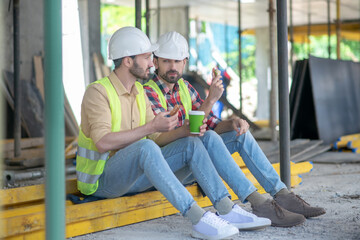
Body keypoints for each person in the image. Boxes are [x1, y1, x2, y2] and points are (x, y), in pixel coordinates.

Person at [76, 26, 274, 240]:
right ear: (127, 60)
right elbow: (103, 142)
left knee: (192, 142)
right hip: (103, 181)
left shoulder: (139, 93)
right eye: (146, 58)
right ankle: (198, 219)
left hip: (136, 178)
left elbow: (157, 137)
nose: (151, 64)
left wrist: (178, 129)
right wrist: (151, 128)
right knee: (145, 147)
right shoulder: (98, 92)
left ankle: (226, 209)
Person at [144, 31, 326, 228]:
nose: (173, 67)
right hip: (169, 168)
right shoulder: (148, 92)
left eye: (177, 61)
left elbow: (210, 123)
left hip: (197, 161)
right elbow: (186, 132)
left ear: (185, 62)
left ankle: (282, 195)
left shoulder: (185, 88)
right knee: (208, 138)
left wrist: (232, 123)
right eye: (166, 61)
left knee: (239, 134)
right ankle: (259, 203)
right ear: (155, 61)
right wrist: (211, 99)